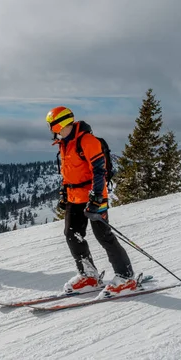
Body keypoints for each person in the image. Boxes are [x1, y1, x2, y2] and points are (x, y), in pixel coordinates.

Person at [46, 106, 136, 298]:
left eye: (53, 126)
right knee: (72, 234)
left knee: (103, 236)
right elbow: (68, 172)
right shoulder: (64, 144)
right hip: (74, 198)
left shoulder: (87, 141)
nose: (52, 131)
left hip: (94, 196)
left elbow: (99, 170)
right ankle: (89, 275)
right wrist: (64, 191)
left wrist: (97, 196)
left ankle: (126, 276)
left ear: (62, 123)